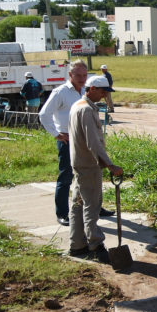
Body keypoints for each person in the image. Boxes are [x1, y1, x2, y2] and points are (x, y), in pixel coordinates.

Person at [39, 63, 114, 226]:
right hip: (68, 140)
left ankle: (96, 207)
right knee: (66, 176)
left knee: (93, 174)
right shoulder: (61, 92)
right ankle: (63, 213)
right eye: (78, 75)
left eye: (84, 75)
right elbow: (44, 114)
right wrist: (56, 134)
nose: (82, 79)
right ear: (70, 75)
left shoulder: (86, 91)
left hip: (85, 139)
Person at [68, 74, 123, 262]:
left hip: (79, 163)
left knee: (78, 204)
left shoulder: (78, 105)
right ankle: (96, 245)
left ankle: (77, 245)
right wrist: (109, 164)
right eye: (102, 91)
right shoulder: (86, 111)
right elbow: (93, 143)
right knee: (92, 206)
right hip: (89, 165)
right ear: (91, 89)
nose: (104, 95)